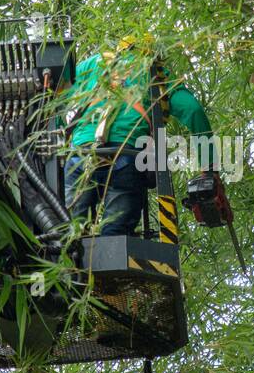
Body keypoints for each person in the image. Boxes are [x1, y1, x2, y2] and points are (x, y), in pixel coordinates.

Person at [60, 34, 214, 236]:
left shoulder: (95, 64)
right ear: (153, 54)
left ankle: (71, 261)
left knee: (70, 234)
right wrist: (209, 170)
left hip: (81, 156)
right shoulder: (158, 76)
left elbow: (54, 91)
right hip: (125, 157)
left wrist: (60, 135)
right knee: (115, 234)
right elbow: (193, 110)